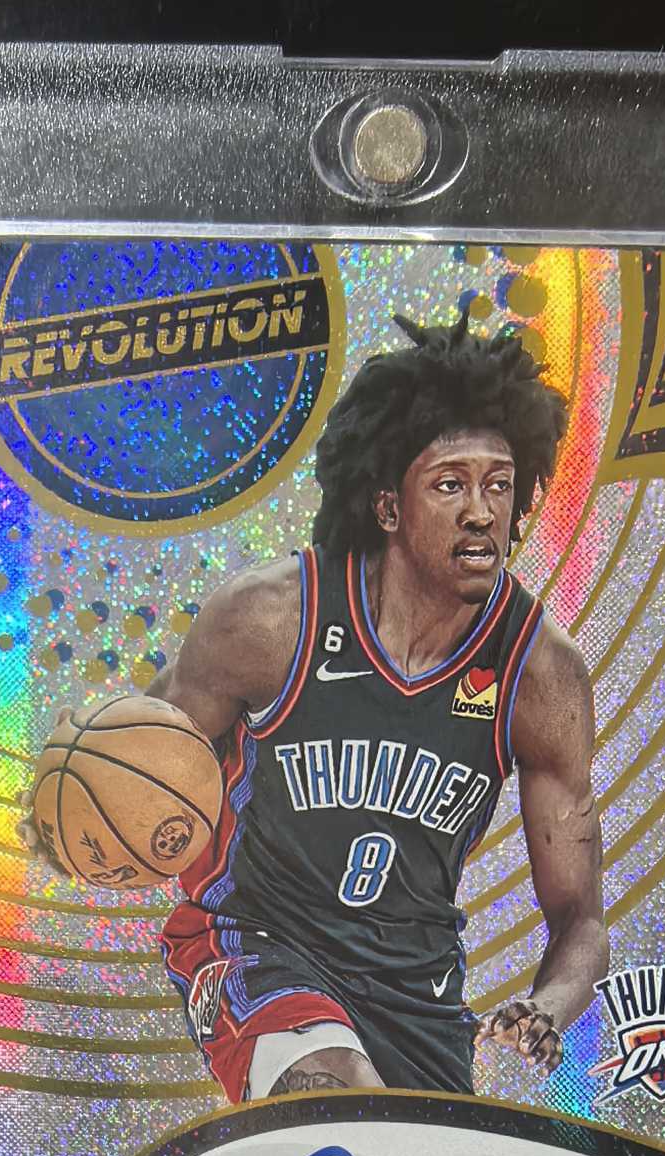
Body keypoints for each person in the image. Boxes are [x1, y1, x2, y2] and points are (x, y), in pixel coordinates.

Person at [146, 310, 608, 1102]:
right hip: (257, 939)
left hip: (416, 995)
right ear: (389, 507)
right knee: (340, 1098)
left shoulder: (540, 675)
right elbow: (138, 756)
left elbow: (581, 919)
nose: (481, 511)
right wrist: (80, 802)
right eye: (450, 484)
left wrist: (548, 1006)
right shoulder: (272, 619)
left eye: (499, 485)